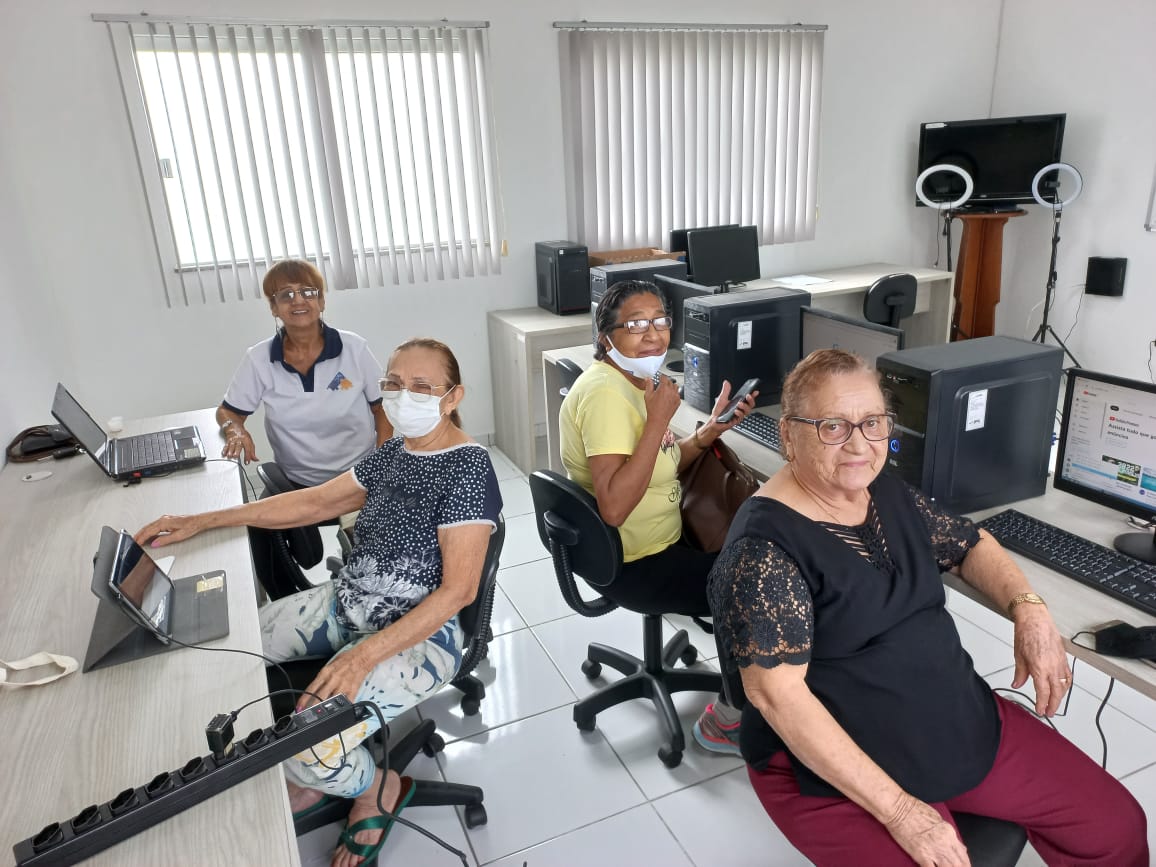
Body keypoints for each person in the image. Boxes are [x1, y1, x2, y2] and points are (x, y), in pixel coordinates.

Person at [707, 349, 1148, 866]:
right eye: (833, 426)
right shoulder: (762, 552)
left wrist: (1029, 609)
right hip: (830, 760)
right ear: (788, 434)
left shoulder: (884, 491)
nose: (859, 444)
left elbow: (971, 544)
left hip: (948, 717)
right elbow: (778, 699)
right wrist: (902, 813)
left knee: (1116, 825)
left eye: (872, 422)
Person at [137, 337, 502, 867]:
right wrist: (201, 520)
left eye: (422, 387)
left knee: (307, 744)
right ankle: (321, 777)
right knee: (234, 647)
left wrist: (361, 657)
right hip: (348, 601)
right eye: (394, 384)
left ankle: (376, 788)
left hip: (420, 636)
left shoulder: (467, 467)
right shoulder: (396, 452)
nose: (404, 396)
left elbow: (459, 591)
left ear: (452, 397)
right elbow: (315, 501)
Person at [558, 279, 757, 755]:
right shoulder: (607, 396)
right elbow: (614, 505)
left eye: (661, 321)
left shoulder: (634, 382)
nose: (653, 335)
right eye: (635, 325)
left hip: (651, 539)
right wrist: (657, 421)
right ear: (606, 337)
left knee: (751, 546)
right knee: (752, 581)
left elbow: (659, 463)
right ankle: (727, 719)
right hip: (636, 562)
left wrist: (708, 432)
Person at [216, 258, 392, 487]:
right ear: (274, 308)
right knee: (253, 513)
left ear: (321, 301)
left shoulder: (354, 349)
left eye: (308, 292)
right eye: (286, 295)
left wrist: (381, 462)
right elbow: (228, 411)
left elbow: (382, 407)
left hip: (360, 477)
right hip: (298, 483)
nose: (298, 300)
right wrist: (234, 429)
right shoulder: (258, 359)